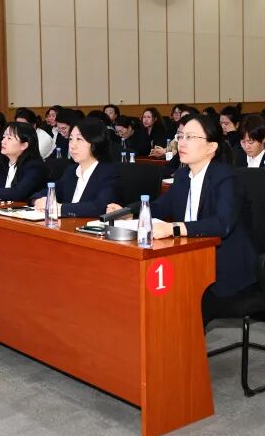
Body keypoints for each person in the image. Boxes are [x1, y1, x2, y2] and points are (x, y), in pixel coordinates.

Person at [107, 113, 255, 325]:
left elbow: (222, 224)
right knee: (140, 284)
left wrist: (173, 228)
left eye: (190, 137)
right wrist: (127, 211)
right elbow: (161, 206)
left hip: (224, 264)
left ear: (212, 147)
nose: (182, 143)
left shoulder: (226, 178)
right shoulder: (184, 176)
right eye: (181, 136)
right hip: (190, 256)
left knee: (173, 297)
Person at [30, 118, 117, 218]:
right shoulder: (72, 171)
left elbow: (100, 207)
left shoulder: (109, 173)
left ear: (96, 142)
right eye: (71, 139)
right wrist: (37, 201)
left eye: (79, 139)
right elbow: (48, 192)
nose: (72, 145)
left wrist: (59, 208)